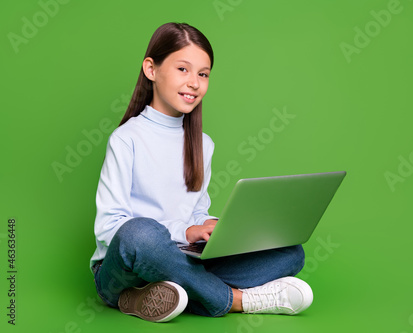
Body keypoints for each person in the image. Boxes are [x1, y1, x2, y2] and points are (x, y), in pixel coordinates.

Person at [89, 22, 313, 323]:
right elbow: (109, 227)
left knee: (290, 253)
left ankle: (166, 293)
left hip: (179, 258)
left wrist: (219, 228)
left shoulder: (203, 144)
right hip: (122, 270)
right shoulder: (126, 139)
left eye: (203, 74)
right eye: (183, 69)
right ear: (151, 69)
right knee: (141, 234)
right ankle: (234, 300)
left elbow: (195, 212)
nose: (194, 82)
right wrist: (183, 232)